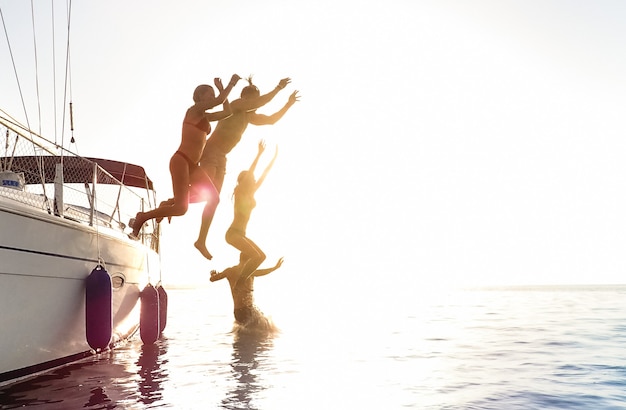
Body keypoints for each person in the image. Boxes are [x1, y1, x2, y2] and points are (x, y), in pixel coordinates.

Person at [193, 76, 299, 259]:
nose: (256, 106)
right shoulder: (236, 105)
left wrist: (288, 105)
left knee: (213, 199)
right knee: (206, 194)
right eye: (254, 101)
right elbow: (261, 101)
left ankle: (200, 239)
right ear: (246, 99)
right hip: (211, 151)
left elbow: (271, 119)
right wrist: (278, 87)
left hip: (222, 158)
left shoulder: (248, 116)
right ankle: (172, 204)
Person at [129, 74, 241, 239]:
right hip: (181, 160)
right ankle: (142, 217)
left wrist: (221, 90)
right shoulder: (193, 110)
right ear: (200, 97)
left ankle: (168, 203)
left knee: (213, 198)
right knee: (181, 209)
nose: (212, 96)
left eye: (212, 94)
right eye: (209, 94)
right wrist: (231, 83)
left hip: (193, 166)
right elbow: (218, 101)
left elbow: (228, 112)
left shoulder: (206, 117)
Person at [224, 140, 277, 291]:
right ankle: (240, 283)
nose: (253, 180)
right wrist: (259, 154)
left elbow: (263, 175)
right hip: (233, 233)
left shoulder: (251, 193)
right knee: (256, 256)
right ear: (243, 181)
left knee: (262, 257)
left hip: (241, 234)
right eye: (250, 179)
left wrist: (274, 158)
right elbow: (252, 172)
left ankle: (241, 281)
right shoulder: (240, 192)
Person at [210, 253, 284, 327]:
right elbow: (263, 272)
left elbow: (212, 279)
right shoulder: (250, 272)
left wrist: (213, 275)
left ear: (240, 259)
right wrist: (275, 268)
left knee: (246, 334)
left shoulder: (229, 271)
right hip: (247, 310)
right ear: (250, 261)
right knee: (264, 329)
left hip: (238, 311)